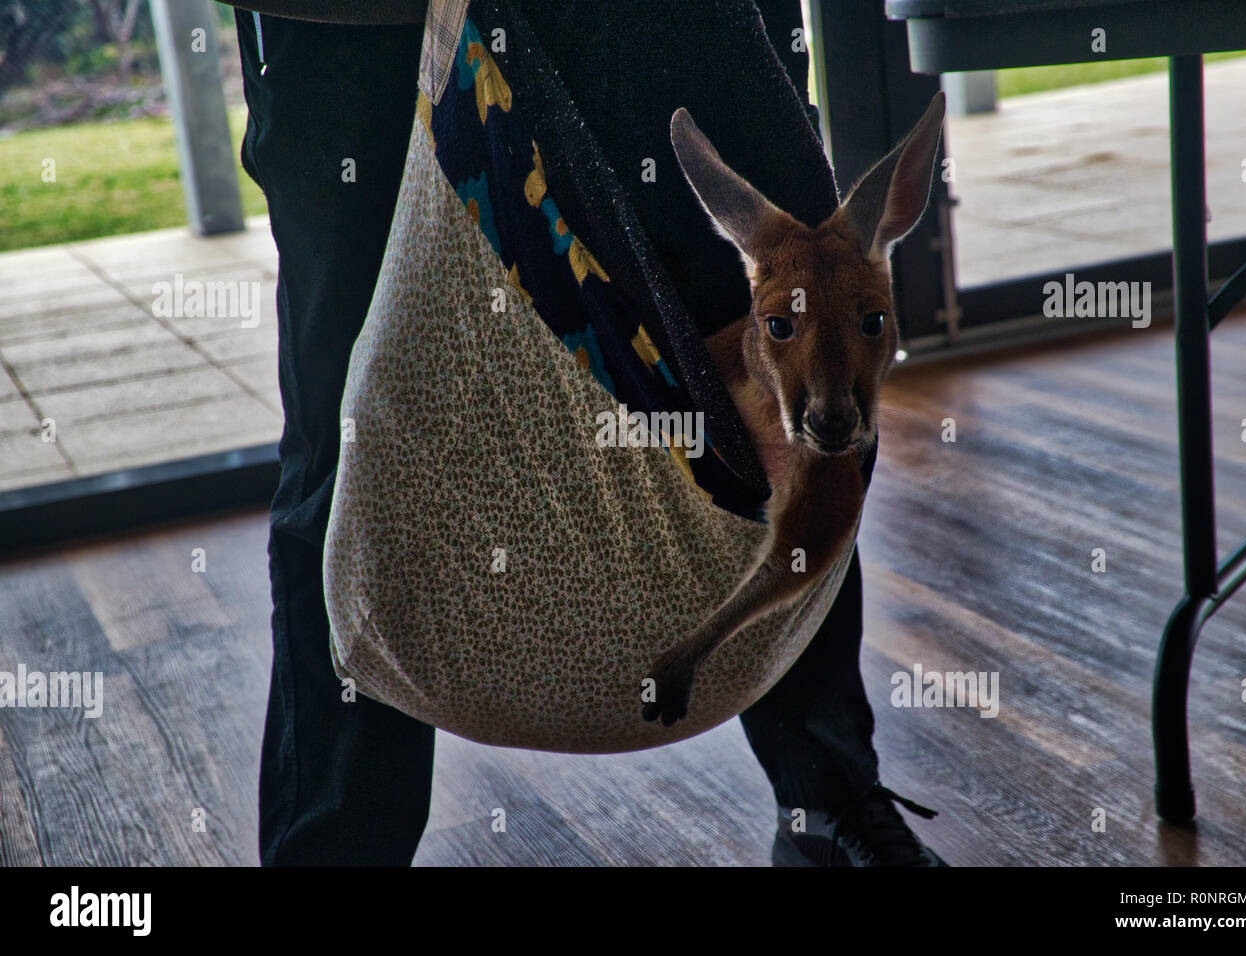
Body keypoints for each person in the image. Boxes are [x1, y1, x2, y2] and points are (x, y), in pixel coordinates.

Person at [226, 0, 945, 867]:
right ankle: (332, 854)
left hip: (674, 21)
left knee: (784, 386)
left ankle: (828, 806)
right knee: (347, 445)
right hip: (361, 29)